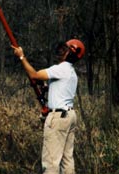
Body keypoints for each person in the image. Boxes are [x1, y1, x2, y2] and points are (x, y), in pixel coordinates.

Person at [12, 39, 85, 174]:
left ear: (69, 53)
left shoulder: (60, 69)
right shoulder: (71, 73)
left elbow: (34, 74)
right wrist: (45, 87)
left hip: (58, 118)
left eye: (65, 49)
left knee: (51, 163)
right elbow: (58, 88)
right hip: (70, 116)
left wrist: (21, 57)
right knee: (67, 161)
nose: (61, 51)